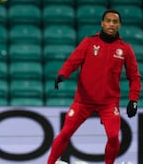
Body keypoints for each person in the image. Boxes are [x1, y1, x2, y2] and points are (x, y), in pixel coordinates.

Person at [47, 9, 141, 164]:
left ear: (120, 25)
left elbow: (134, 77)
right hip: (83, 100)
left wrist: (133, 100)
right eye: (108, 21)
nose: (111, 24)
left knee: (113, 136)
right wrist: (63, 73)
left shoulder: (125, 49)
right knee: (65, 133)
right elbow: (73, 62)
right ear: (102, 23)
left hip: (109, 103)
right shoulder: (89, 42)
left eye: (115, 21)